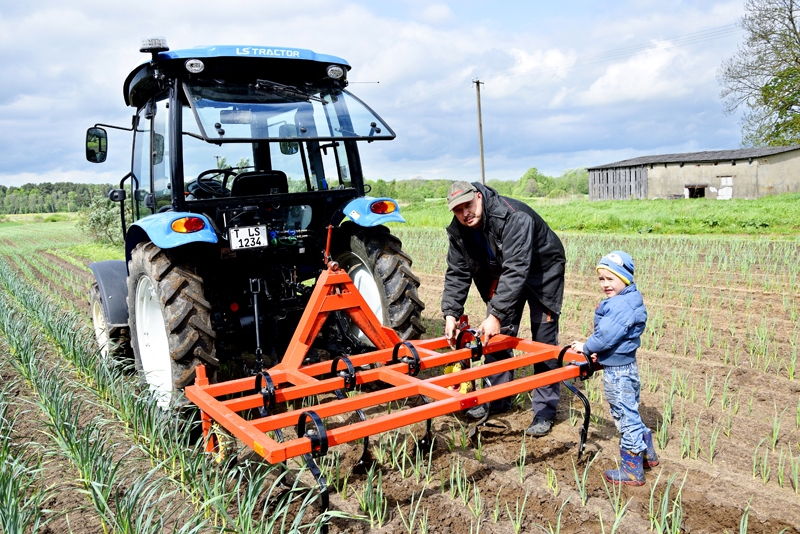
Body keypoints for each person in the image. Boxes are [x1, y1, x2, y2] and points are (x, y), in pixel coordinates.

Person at [441, 180, 566, 437]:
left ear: (479, 196)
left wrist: (496, 314)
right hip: (504, 271)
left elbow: (518, 267)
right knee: (495, 338)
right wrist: (451, 312)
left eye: (469, 205)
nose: (465, 213)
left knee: (542, 343)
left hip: (542, 272)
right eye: (458, 209)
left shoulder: (512, 216)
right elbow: (457, 272)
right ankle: (497, 398)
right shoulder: (459, 231)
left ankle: (544, 410)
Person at [571, 251, 658, 486]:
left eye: (611, 279)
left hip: (618, 373)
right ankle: (648, 456)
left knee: (623, 414)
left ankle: (632, 469)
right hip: (627, 365)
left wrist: (586, 347)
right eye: (601, 279)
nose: (605, 284)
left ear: (625, 278)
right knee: (630, 410)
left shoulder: (620, 305)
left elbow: (606, 335)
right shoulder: (631, 299)